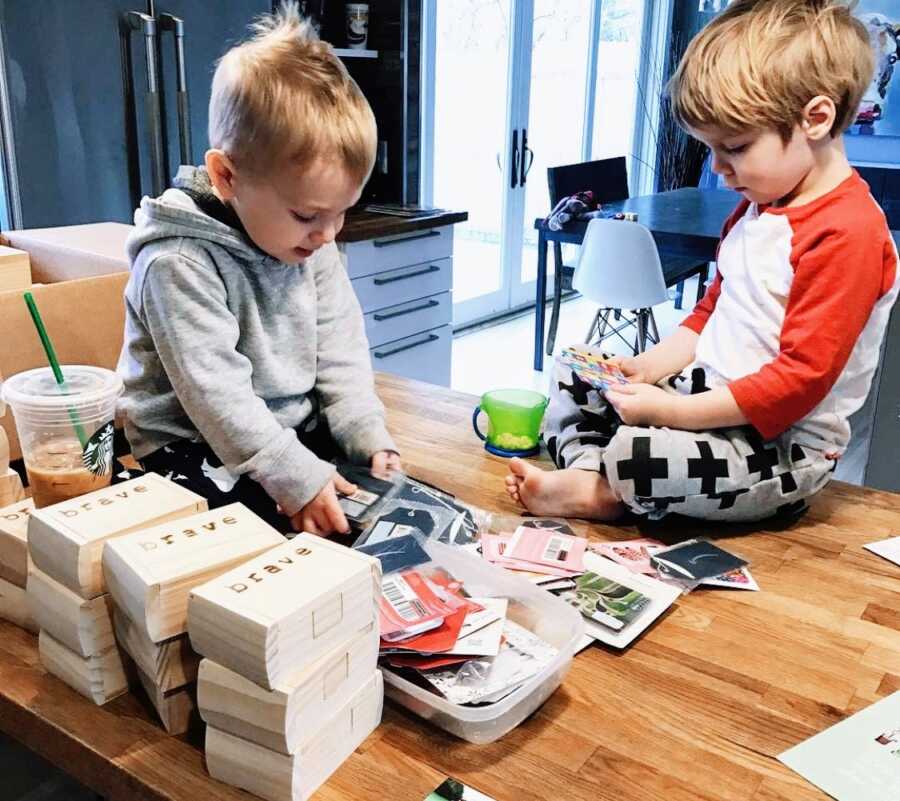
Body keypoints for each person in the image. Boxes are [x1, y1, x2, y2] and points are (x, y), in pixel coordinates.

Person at [507, 0, 899, 523]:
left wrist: (672, 413)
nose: (717, 167)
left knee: (635, 454)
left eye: (733, 147)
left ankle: (605, 489)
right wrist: (649, 367)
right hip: (707, 402)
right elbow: (709, 311)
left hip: (780, 446)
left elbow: (798, 381)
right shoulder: (758, 209)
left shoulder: (848, 233)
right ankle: (594, 475)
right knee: (576, 367)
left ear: (816, 118)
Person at [117, 4, 399, 535]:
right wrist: (297, 478)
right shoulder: (178, 262)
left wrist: (366, 432)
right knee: (269, 536)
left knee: (370, 502)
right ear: (226, 176)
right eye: (308, 215)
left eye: (343, 212)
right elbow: (218, 400)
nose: (329, 234)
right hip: (191, 440)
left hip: (279, 426)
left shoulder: (310, 242)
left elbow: (339, 347)